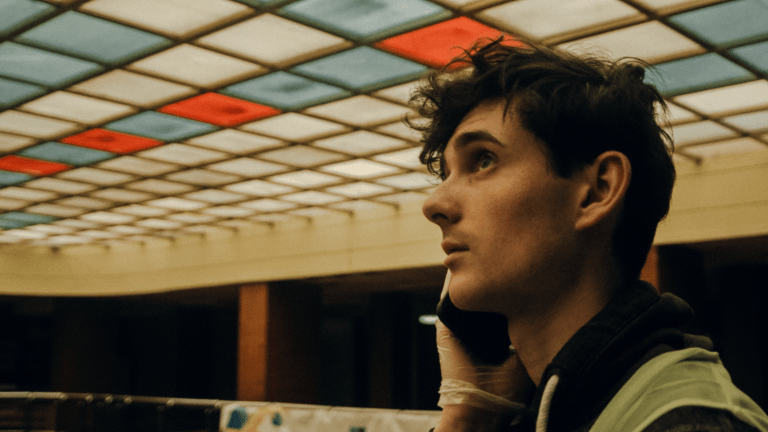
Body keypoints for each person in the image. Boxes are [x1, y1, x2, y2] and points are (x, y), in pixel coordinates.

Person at [410, 38, 768, 432]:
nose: (434, 204)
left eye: (483, 160)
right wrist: (468, 420)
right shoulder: (544, 411)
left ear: (598, 190)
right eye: (447, 173)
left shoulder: (686, 423)